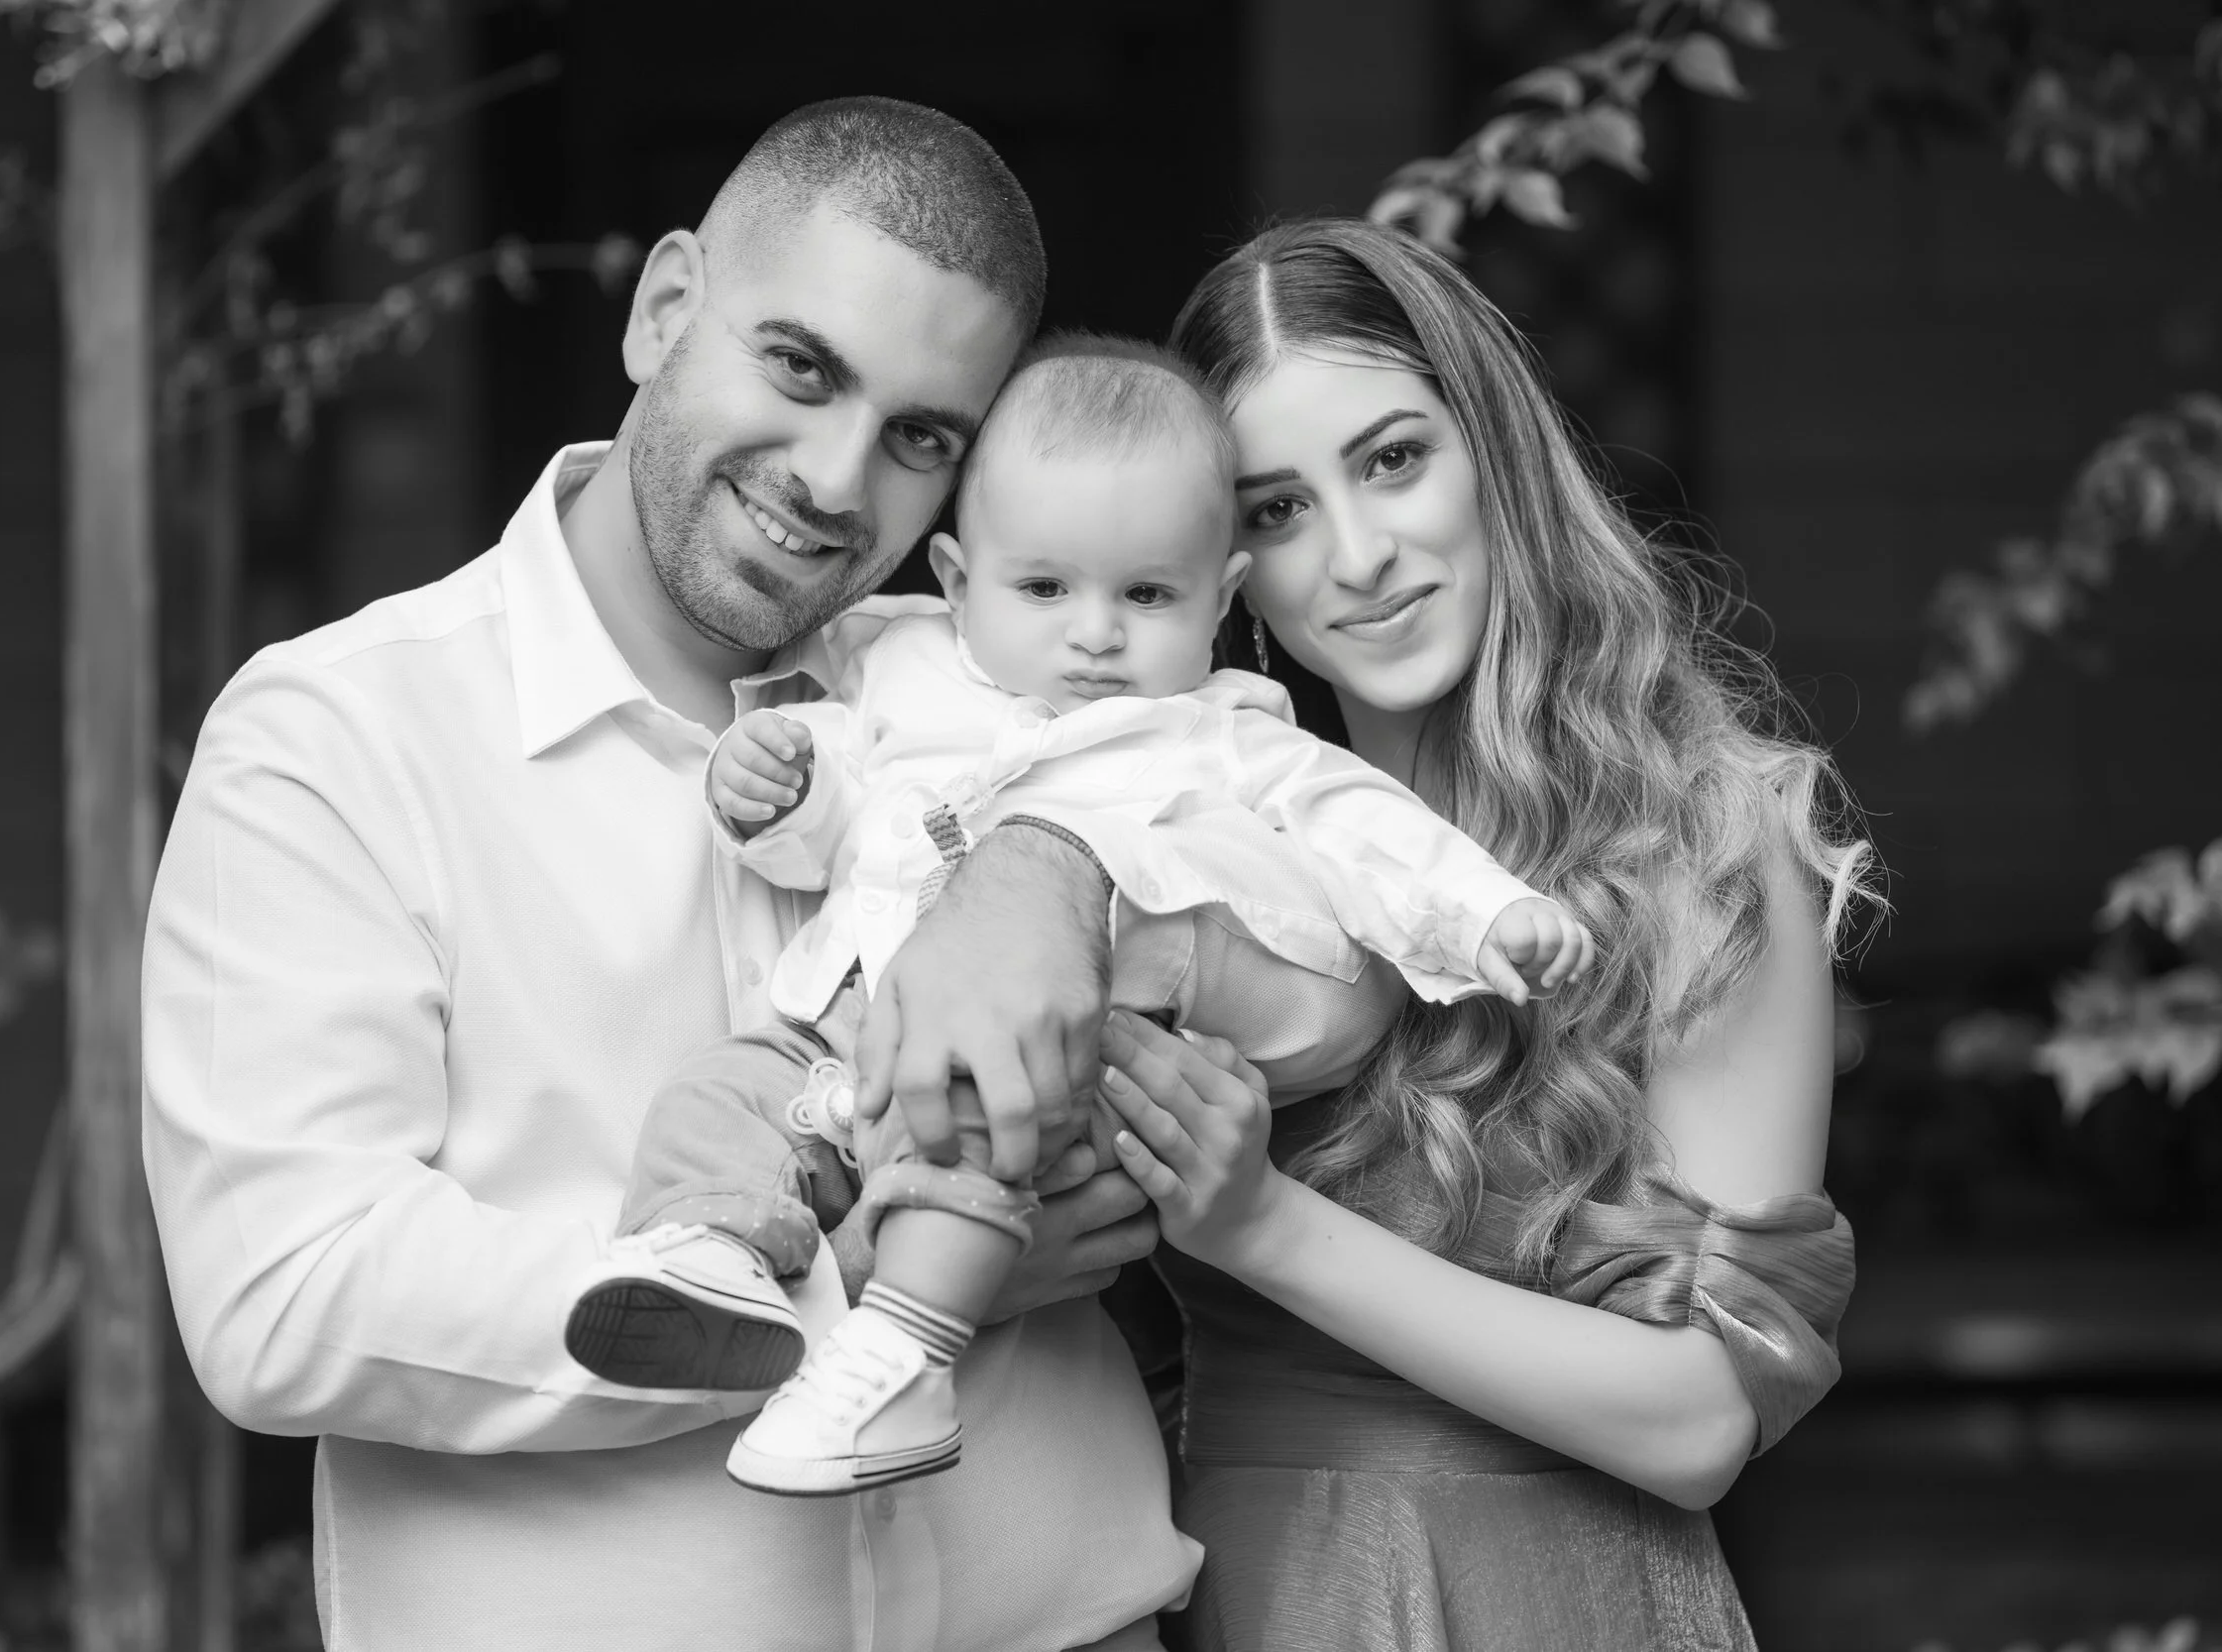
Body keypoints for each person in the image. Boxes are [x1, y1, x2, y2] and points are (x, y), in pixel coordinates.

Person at [142, 102, 1381, 1652]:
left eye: (922, 437)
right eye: (801, 368)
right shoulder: (343, 731)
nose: (835, 479)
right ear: (666, 307)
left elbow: (1348, 984)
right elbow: (284, 1295)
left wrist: (1066, 873)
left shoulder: (1022, 681)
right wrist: (858, 1295)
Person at [562, 334, 1593, 1499]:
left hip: (1040, 1061)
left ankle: (902, 1354)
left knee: (973, 1138)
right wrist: (778, 791)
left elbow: (1359, 823)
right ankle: (709, 1251)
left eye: (1146, 594)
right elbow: (837, 820)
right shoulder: (904, 675)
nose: (1095, 633)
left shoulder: (1222, 732)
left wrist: (1488, 911)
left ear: (1220, 598)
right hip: (837, 1029)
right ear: (957, 581)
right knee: (713, 1095)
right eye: (1045, 588)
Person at [1091, 218, 1877, 1650]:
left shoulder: (1699, 839)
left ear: (1492, 449)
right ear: (1223, 562)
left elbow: (1704, 1416)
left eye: (1393, 459)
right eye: (1278, 509)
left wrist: (1262, 1224)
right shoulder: (1196, 843)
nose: (1359, 554)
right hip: (1226, 1584)